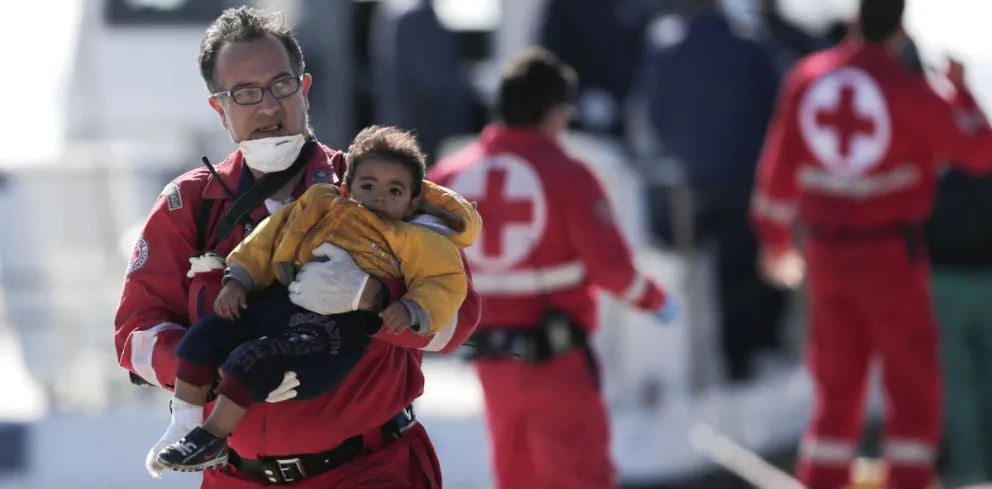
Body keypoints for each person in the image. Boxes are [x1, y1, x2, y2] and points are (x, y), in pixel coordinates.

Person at [112, 7, 480, 488]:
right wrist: (216, 371)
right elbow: (135, 335)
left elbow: (457, 322)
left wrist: (375, 300)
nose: (268, 106)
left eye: (281, 85)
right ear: (219, 108)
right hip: (236, 478)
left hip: (368, 471)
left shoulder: (375, 185)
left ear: (304, 89)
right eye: (245, 93)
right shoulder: (190, 206)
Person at [750, 0, 992, 487]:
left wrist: (776, 243)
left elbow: (776, 176)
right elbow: (979, 151)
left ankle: (821, 480)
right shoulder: (909, 93)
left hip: (824, 256)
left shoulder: (807, 80)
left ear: (856, 19)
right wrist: (961, 91)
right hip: (890, 260)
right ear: (901, 28)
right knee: (911, 384)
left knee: (835, 387)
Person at [152, 125, 481, 473]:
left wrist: (403, 306)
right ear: (347, 186)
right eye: (368, 186)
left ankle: (211, 439)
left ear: (414, 201)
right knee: (207, 334)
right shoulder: (319, 203)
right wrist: (238, 279)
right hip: (283, 305)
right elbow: (267, 239)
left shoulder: (416, 238)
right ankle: (184, 426)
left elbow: (444, 282)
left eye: (394, 190)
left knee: (256, 359)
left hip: (336, 331)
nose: (379, 198)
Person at [430, 47, 678, 489]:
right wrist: (655, 300)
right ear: (552, 111)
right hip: (557, 362)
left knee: (516, 475)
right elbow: (613, 270)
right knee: (581, 476)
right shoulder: (568, 175)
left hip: (493, 362)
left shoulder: (448, 177)